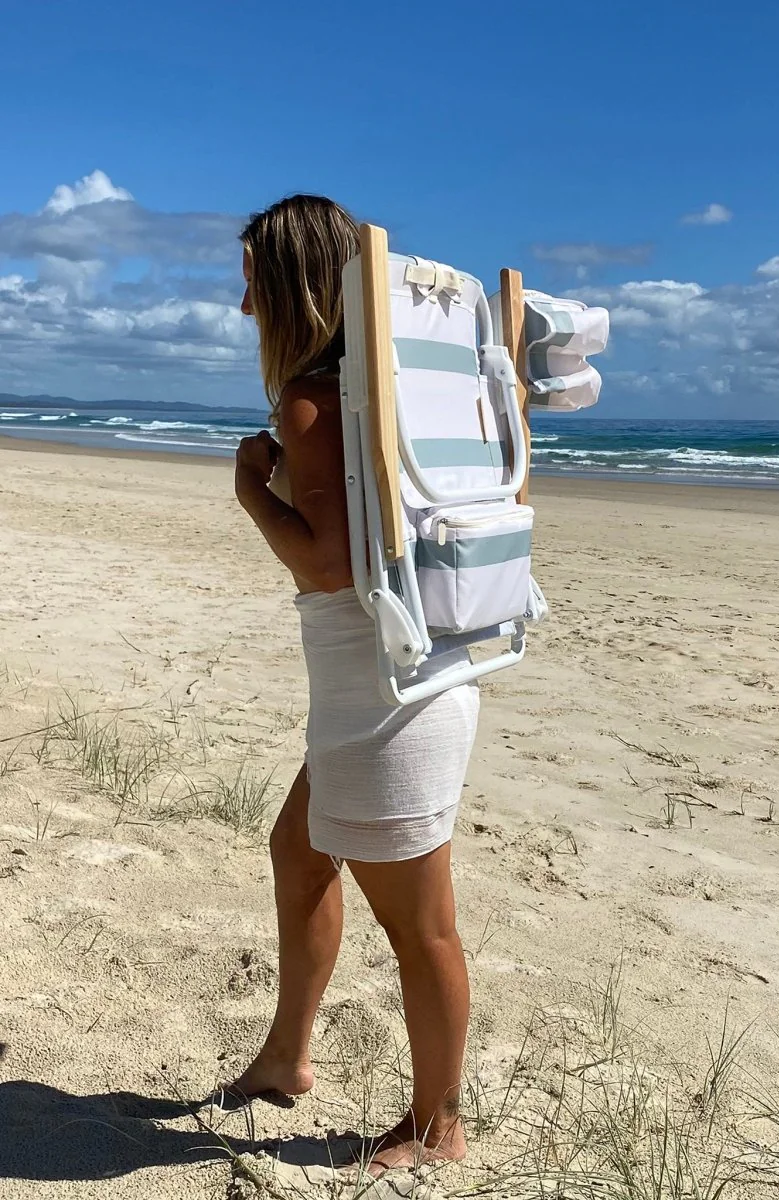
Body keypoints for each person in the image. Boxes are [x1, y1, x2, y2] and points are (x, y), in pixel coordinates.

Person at [228, 194, 478, 1176]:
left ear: (292, 288)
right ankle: (287, 1057)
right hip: (405, 680)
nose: (244, 307)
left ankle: (437, 1129)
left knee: (422, 929)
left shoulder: (311, 402)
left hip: (385, 702)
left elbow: (327, 564)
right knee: (298, 854)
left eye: (253, 284)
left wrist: (252, 492)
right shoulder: (390, 394)